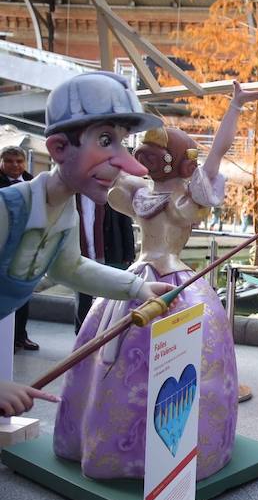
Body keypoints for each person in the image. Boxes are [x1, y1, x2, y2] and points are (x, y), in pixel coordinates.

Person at [53, 81, 258, 480]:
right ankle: (122, 449)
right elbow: (108, 167)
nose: (142, 158)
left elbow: (216, 156)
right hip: (143, 281)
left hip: (167, 281)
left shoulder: (185, 200)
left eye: (154, 153)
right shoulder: (137, 193)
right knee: (112, 353)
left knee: (151, 359)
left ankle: (159, 449)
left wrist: (234, 108)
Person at [0, 71, 172, 322]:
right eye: (105, 140)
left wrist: (137, 287)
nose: (127, 165)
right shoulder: (8, 208)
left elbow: (69, 268)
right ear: (59, 148)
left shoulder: (66, 211)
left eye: (122, 142)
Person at [74, 200, 136, 333]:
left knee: (111, 301)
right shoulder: (73, 197)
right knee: (83, 299)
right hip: (80, 256)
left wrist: (128, 255)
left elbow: (125, 224)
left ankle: (107, 335)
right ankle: (82, 336)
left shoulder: (110, 195)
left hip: (110, 254)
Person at [0, 146, 38, 351]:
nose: (14, 165)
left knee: (22, 295)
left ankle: (20, 336)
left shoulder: (35, 184)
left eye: (18, 161)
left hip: (25, 249)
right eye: (9, 161)